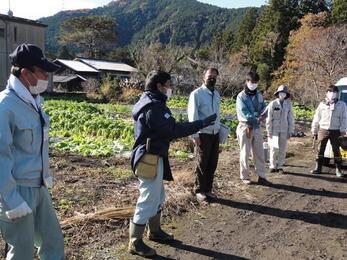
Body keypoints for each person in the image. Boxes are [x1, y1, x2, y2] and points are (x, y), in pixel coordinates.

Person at [129, 70, 216, 257]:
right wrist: (200, 123)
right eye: (168, 84)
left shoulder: (151, 102)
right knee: (147, 199)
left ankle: (155, 231)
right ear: (159, 86)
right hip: (149, 158)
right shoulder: (154, 107)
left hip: (154, 156)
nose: (170, 88)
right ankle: (135, 242)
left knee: (158, 196)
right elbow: (173, 129)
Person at [0, 44, 64, 259]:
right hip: (17, 190)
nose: (47, 76)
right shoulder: (5, 106)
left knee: (53, 241)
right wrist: (11, 199)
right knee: (22, 251)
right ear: (26, 73)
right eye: (42, 72)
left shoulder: (33, 102)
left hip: (39, 187)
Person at [187, 68, 221, 202]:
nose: (212, 78)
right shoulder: (197, 94)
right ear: (203, 77)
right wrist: (195, 135)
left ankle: (208, 189)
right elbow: (193, 115)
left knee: (212, 163)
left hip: (215, 133)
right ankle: (199, 190)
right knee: (202, 162)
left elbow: (217, 114)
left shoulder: (216, 94)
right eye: (209, 76)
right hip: (203, 134)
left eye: (214, 76)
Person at [236, 71, 271, 185]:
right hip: (245, 126)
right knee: (245, 153)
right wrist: (257, 118)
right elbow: (244, 113)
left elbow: (263, 108)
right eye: (252, 82)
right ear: (247, 82)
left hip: (256, 127)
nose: (254, 84)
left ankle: (261, 176)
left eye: (256, 82)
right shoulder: (241, 96)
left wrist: (264, 115)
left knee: (259, 153)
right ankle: (244, 176)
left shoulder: (259, 95)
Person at [311, 85, 347, 177]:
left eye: (334, 92)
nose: (332, 94)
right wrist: (314, 129)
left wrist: (343, 130)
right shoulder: (322, 104)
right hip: (323, 129)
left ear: (337, 94)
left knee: (336, 150)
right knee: (320, 149)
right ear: (326, 93)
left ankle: (338, 170)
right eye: (330, 92)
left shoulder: (342, 105)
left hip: (336, 131)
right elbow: (316, 117)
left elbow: (344, 118)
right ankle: (318, 168)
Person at [266, 85, 295, 174]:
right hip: (274, 130)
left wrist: (290, 131)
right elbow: (269, 118)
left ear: (286, 94)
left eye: (284, 93)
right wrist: (269, 131)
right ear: (278, 93)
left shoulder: (288, 104)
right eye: (281, 93)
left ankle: (280, 166)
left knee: (282, 149)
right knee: (273, 149)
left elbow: (291, 118)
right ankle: (272, 166)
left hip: (284, 130)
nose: (282, 94)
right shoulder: (273, 104)